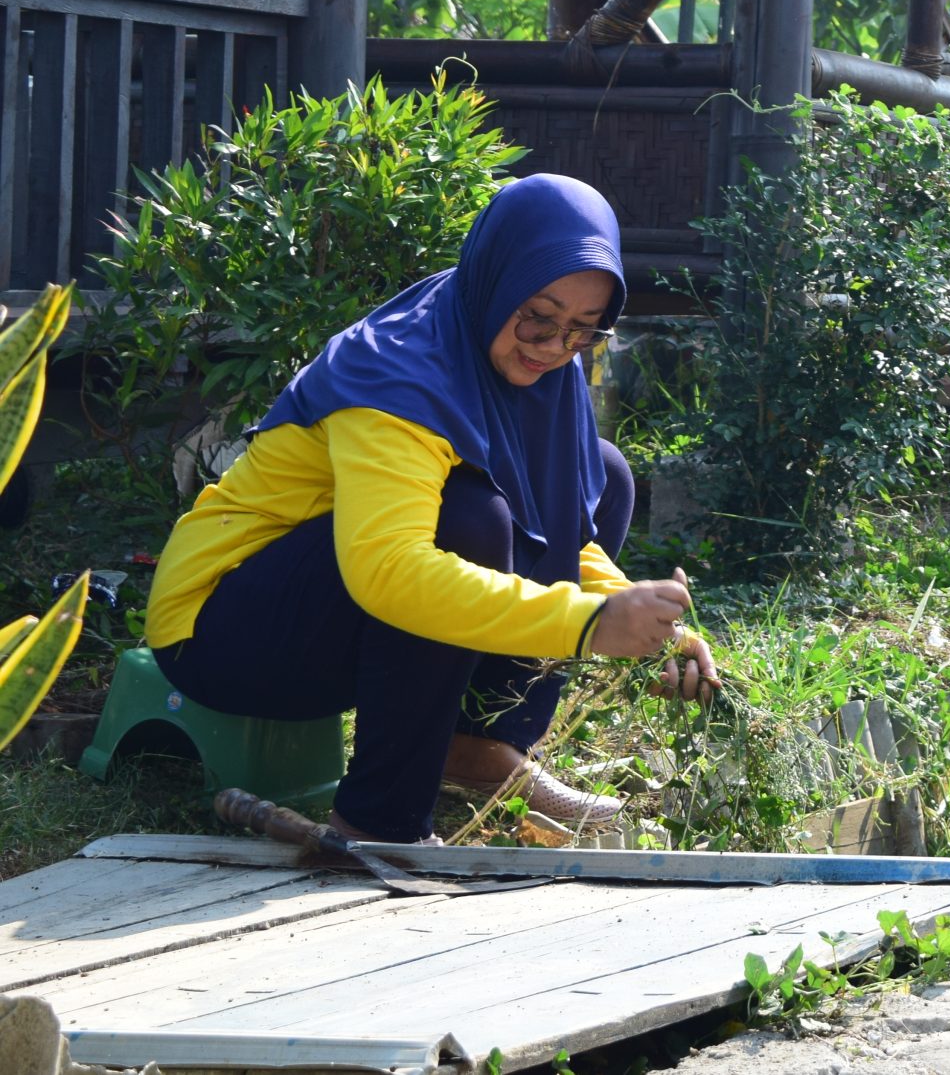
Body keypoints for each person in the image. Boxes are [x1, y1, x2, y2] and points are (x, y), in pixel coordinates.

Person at [143, 174, 717, 845]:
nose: (554, 347)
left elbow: (556, 530)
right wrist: (591, 623)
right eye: (538, 315)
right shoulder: (400, 371)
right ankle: (381, 818)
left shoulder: (535, 363)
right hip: (223, 627)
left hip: (334, 611)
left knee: (602, 475)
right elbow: (388, 568)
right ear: (499, 278)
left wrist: (645, 626)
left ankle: (476, 747)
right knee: (469, 520)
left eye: (581, 330)